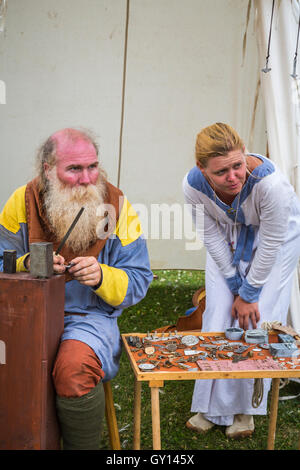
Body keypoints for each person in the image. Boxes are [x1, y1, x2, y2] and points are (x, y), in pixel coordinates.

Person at [0, 128, 153, 449]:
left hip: (87, 317)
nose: (86, 178)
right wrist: (28, 263)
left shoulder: (117, 206)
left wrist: (101, 277)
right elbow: (2, 259)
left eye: (92, 166)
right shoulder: (21, 201)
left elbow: (139, 279)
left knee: (73, 369)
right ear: (48, 169)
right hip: (23, 314)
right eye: (74, 169)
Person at [182, 122, 300, 438]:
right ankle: (210, 407)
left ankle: (245, 410)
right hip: (228, 236)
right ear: (202, 169)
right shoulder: (192, 186)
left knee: (255, 320)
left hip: (276, 238)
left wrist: (248, 294)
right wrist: (235, 286)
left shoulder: (270, 185)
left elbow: (273, 240)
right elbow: (211, 236)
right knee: (218, 314)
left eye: (238, 165)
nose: (233, 177)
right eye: (222, 172)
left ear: (245, 151)